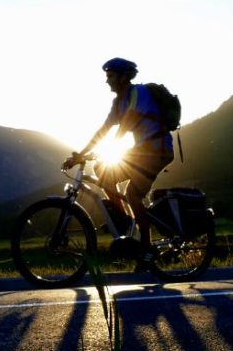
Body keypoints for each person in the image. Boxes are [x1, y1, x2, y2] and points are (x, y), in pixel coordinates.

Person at [62, 57, 175, 261]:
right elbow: (103, 130)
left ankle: (147, 248)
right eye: (107, 76)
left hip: (158, 150)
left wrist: (109, 148)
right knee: (102, 171)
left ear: (124, 77)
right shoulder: (118, 102)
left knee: (132, 195)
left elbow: (127, 123)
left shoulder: (137, 93)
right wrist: (81, 154)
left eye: (111, 76)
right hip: (142, 151)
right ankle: (123, 222)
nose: (107, 81)